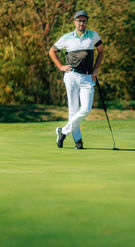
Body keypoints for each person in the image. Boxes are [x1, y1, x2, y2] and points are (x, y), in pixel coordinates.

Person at [49, 10, 104, 149]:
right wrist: (60, 66)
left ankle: (63, 131)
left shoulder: (93, 35)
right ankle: (78, 141)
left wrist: (96, 69)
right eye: (79, 20)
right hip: (71, 76)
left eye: (84, 20)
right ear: (74, 22)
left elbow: (101, 52)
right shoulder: (67, 37)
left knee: (85, 109)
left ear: (87, 22)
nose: (81, 23)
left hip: (87, 77)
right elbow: (52, 51)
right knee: (73, 110)